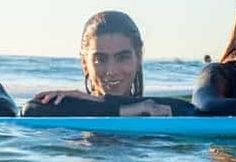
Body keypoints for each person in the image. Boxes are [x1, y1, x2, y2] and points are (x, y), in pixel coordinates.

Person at [22, 11, 195, 116]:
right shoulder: (65, 108)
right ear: (84, 63)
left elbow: (191, 111)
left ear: (139, 56)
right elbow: (30, 110)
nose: (111, 71)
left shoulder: (162, 110)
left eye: (122, 57)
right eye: (100, 59)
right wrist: (124, 110)